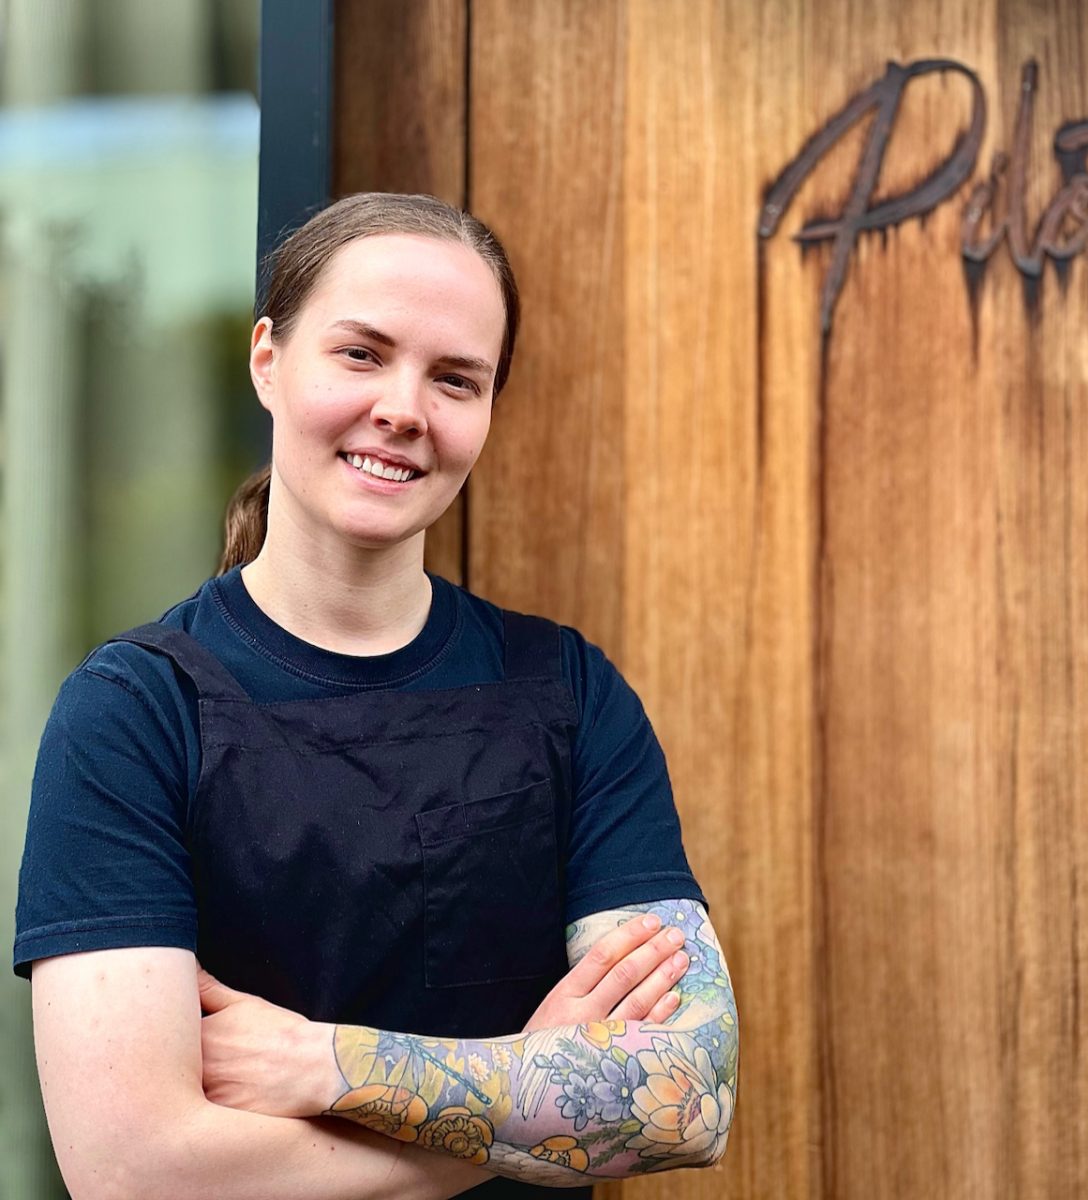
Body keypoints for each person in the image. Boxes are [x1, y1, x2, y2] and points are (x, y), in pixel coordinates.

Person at [14, 193, 738, 1198]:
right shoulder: (136, 713)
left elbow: (686, 1096)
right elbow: (139, 1176)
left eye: (455, 378)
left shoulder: (567, 693)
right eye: (361, 353)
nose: (404, 408)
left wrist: (334, 1065)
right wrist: (525, 1091)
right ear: (268, 359)